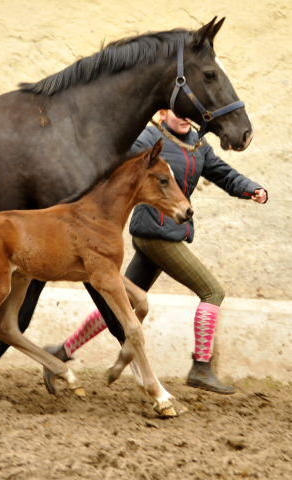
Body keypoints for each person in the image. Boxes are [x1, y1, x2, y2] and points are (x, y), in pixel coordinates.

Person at [43, 109, 268, 395]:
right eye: (179, 112)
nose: (186, 117)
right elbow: (114, 156)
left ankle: (59, 353)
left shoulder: (198, 143)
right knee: (212, 292)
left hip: (170, 231)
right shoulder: (148, 138)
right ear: (163, 112)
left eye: (190, 114)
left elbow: (224, 174)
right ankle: (201, 367)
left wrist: (251, 189)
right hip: (156, 234)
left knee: (119, 299)